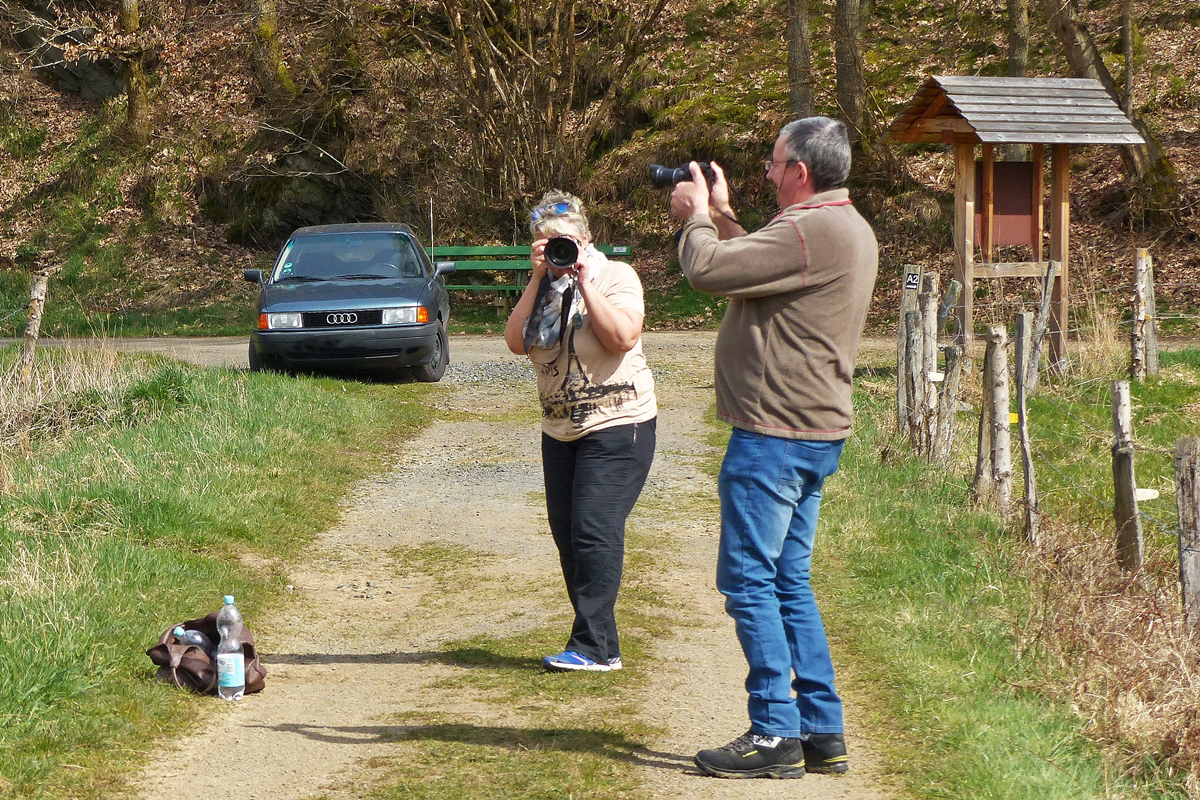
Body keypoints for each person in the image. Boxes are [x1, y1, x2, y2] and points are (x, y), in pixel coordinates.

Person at [668, 117, 878, 778]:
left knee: (750, 581)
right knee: (789, 580)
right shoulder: (839, 225)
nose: (765, 168)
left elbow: (706, 270)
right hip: (809, 435)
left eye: (773, 159)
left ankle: (774, 734)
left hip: (774, 439)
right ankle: (822, 730)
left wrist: (696, 218)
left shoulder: (810, 230)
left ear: (801, 172)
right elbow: (749, 269)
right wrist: (727, 213)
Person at [504, 190, 657, 673]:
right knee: (569, 535)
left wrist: (585, 284)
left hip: (619, 422)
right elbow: (514, 342)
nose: (558, 251)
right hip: (560, 429)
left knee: (594, 530)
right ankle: (600, 645)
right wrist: (536, 280)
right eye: (548, 243)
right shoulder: (543, 287)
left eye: (565, 242)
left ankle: (591, 647)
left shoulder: (615, 276)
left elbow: (622, 337)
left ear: (587, 238)